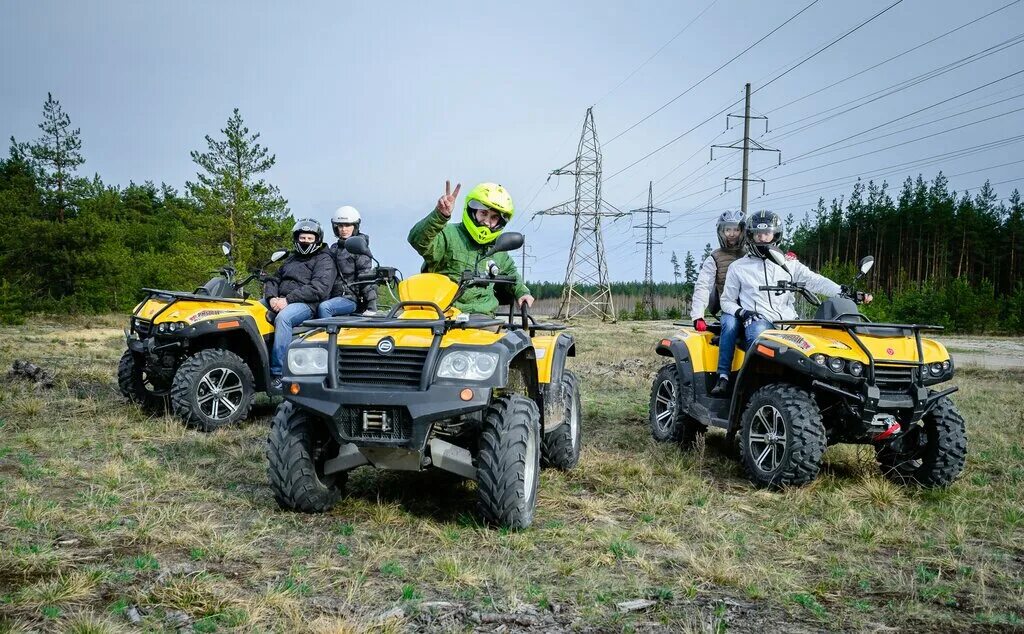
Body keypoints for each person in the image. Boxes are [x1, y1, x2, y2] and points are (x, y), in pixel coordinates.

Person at [720, 210, 872, 390]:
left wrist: (841, 291)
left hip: (790, 321)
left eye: (767, 234)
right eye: (757, 234)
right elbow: (727, 301)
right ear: (750, 235)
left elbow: (815, 281)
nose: (762, 238)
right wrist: (744, 313)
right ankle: (748, 388)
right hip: (759, 320)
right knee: (759, 335)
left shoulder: (789, 264)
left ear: (775, 235)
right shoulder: (738, 267)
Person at [408, 180, 534, 315]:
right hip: (444, 315)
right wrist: (440, 216)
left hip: (482, 319)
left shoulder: (499, 249)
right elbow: (418, 240)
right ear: (473, 211)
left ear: (500, 221)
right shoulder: (449, 235)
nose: (487, 222)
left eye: (494, 217)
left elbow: (511, 273)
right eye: (483, 213)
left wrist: (523, 292)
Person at [262, 218, 336, 389]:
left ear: (317, 239)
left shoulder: (324, 259)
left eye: (309, 238)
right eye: (302, 238)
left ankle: (279, 374)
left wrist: (288, 300)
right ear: (296, 238)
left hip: (307, 304)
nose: (305, 242)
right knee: (252, 309)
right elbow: (274, 278)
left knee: (284, 319)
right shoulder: (291, 259)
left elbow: (320, 288)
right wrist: (271, 298)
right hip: (280, 299)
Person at [690, 210, 746, 396]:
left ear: (743, 231)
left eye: (736, 229)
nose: (731, 234)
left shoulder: (751, 254)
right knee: (729, 326)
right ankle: (723, 376)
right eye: (727, 230)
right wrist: (698, 315)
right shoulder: (714, 258)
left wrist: (787, 260)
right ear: (721, 232)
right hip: (730, 307)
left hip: (755, 307)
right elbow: (703, 286)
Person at [318, 205, 377, 318]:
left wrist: (371, 305)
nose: (344, 229)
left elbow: (365, 275)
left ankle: (326, 335)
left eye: (348, 225)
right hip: (332, 297)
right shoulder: (334, 248)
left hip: (350, 298)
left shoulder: (359, 247)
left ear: (355, 226)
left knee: (325, 307)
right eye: (340, 226)